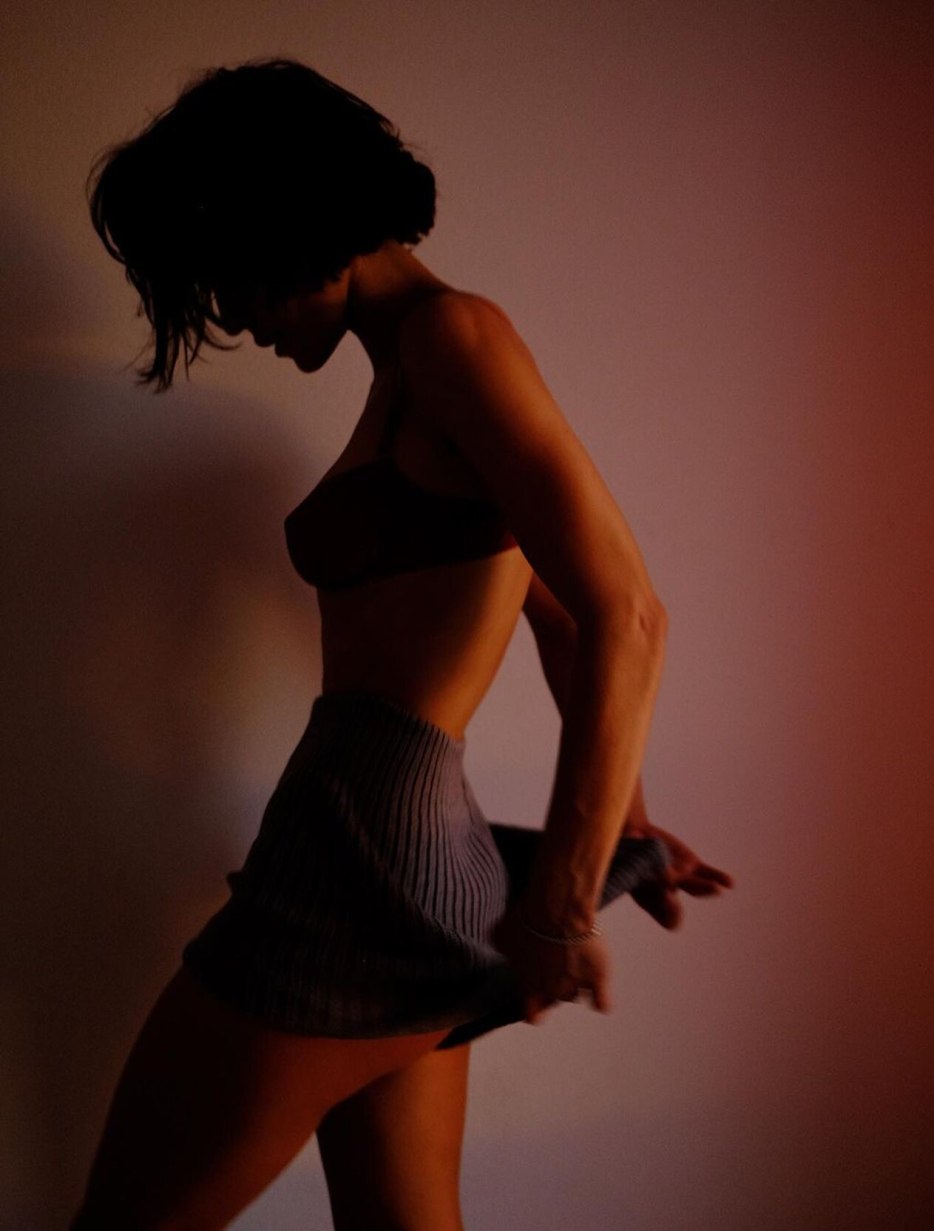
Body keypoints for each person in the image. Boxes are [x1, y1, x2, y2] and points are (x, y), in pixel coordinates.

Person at [73, 57, 732, 1231]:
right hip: (405, 860)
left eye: (231, 278)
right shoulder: (419, 372)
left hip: (356, 865)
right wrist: (625, 827)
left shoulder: (454, 340)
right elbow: (562, 622)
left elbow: (626, 612)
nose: (234, 319)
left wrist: (563, 905)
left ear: (288, 224)